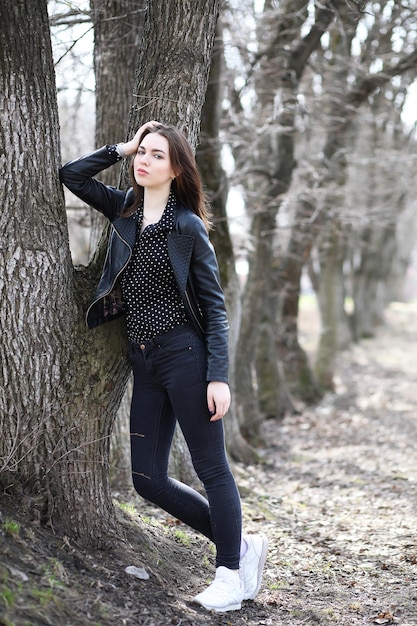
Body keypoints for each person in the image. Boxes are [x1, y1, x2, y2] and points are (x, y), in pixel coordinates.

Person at [59, 121, 268, 613]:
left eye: (155, 155)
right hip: (143, 359)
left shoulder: (187, 227)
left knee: (211, 467)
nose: (143, 161)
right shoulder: (125, 209)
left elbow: (214, 307)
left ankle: (230, 576)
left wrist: (219, 376)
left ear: (176, 170)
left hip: (186, 357)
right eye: (142, 154)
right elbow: (72, 175)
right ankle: (240, 545)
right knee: (147, 478)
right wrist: (121, 146)